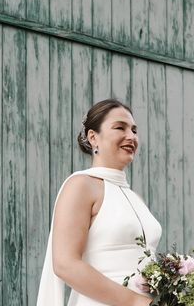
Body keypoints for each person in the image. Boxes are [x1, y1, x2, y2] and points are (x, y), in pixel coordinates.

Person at [36, 99, 162, 306]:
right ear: (93, 137)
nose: (131, 136)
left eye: (134, 130)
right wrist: (135, 302)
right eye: (120, 127)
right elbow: (65, 264)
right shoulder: (81, 185)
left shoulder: (134, 198)